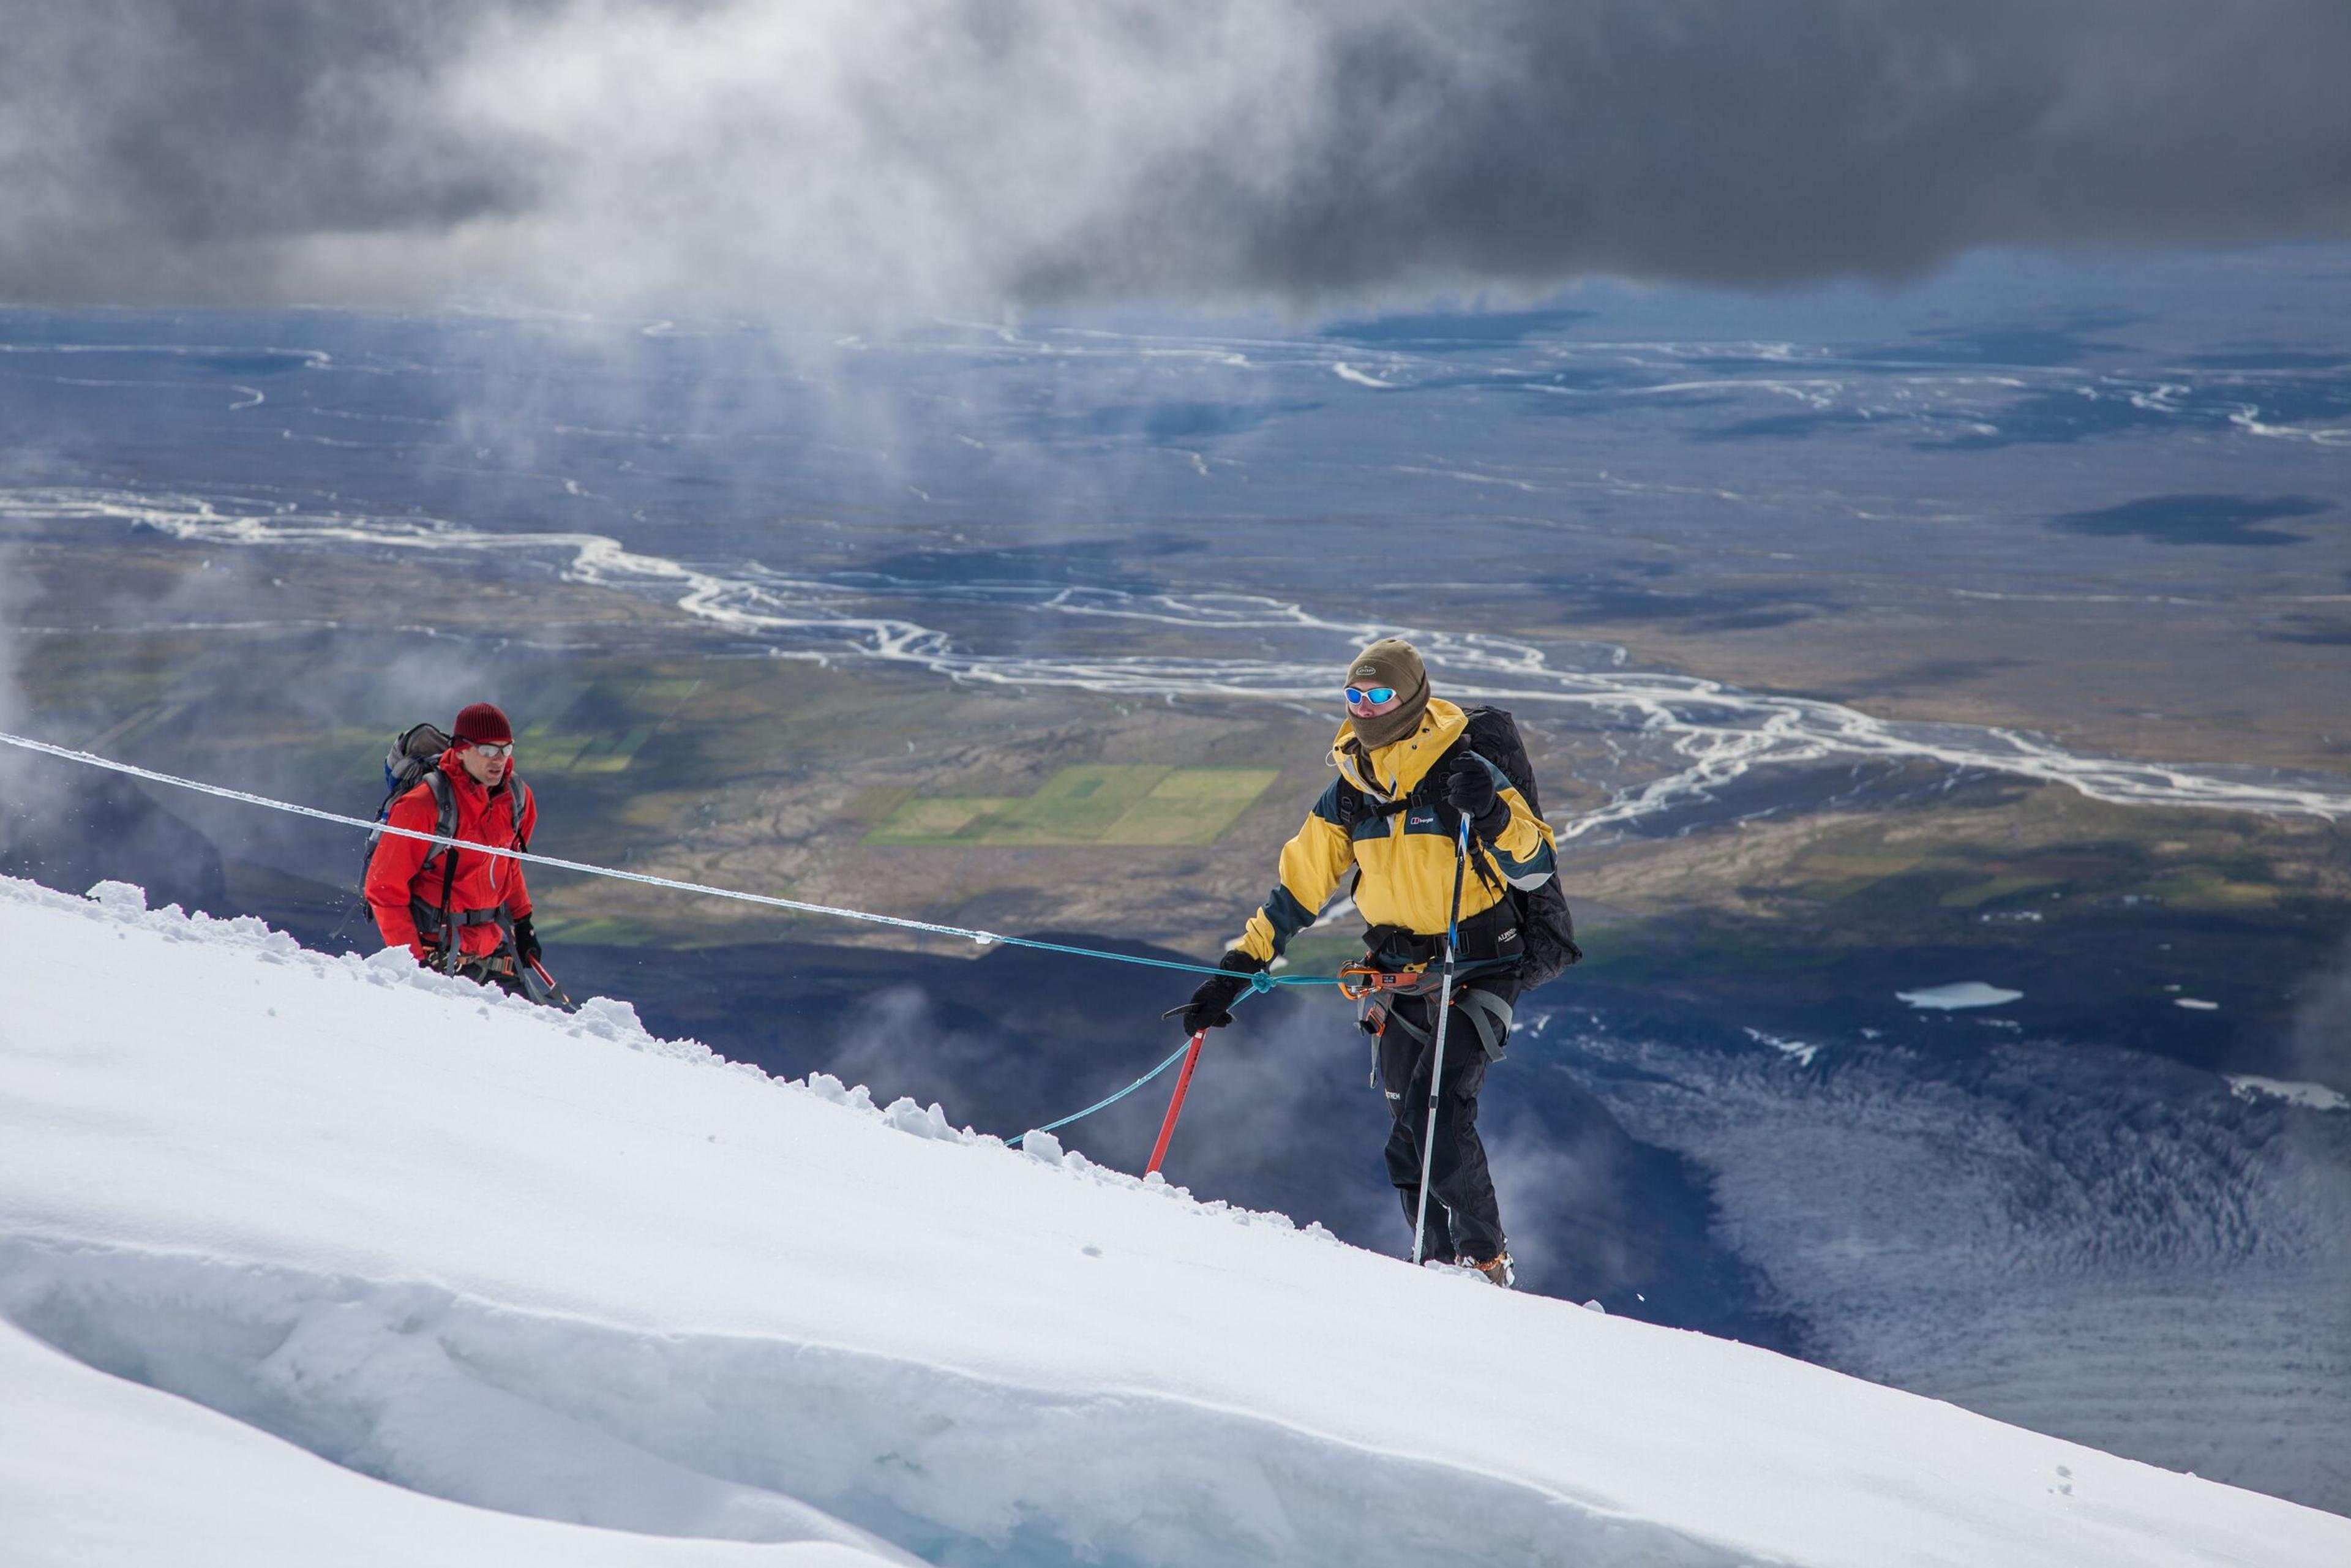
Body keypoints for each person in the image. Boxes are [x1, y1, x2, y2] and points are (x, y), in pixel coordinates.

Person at [1178, 638, 1557, 1287]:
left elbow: (1535, 865)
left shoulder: (1463, 770)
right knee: (1406, 1132)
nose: (1365, 708)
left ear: (1411, 696)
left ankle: (1485, 1261)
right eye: (1354, 696)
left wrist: (1491, 813)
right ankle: (1433, 1265)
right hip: (1399, 970)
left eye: (1378, 695)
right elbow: (1296, 892)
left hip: (1479, 964)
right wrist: (1236, 971)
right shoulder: (1350, 793)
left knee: (1435, 1114)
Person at [364, 702, 540, 996]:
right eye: (486, 750)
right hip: (437, 953)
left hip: (492, 949)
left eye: (505, 749)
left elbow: (508, 863)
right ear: (460, 750)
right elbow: (384, 887)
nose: (498, 759)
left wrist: (523, 921)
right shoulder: (423, 804)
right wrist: (412, 963)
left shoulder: (518, 798)